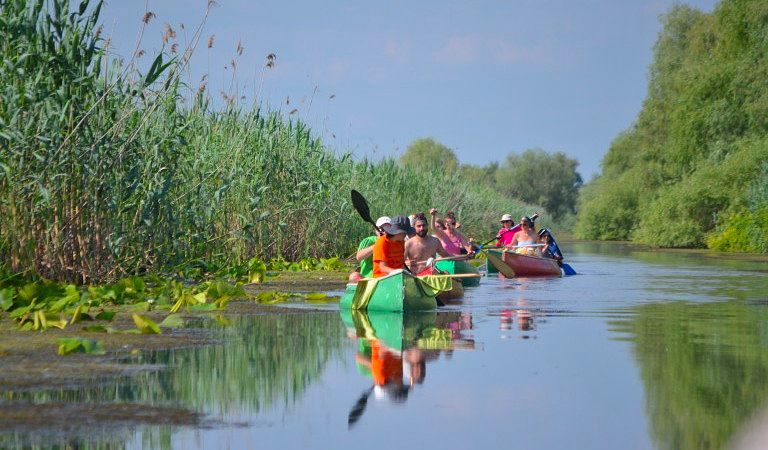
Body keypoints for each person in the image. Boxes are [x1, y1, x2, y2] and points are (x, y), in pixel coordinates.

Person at [348, 216, 391, 282]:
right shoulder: (369, 241)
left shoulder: (395, 242)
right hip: (368, 278)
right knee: (353, 276)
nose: (384, 231)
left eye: (387, 228)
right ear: (376, 230)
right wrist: (377, 245)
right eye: (381, 229)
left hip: (388, 276)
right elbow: (359, 257)